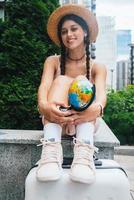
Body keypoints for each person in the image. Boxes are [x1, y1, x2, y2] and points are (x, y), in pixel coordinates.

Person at [36, 4, 107, 184]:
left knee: (81, 80)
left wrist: (97, 109)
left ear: (85, 32)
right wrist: (44, 107)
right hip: (56, 120)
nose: (69, 35)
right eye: (64, 31)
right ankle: (50, 153)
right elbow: (44, 86)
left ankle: (84, 155)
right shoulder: (53, 61)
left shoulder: (98, 66)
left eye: (74, 29)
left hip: (85, 121)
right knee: (62, 80)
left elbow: (101, 97)